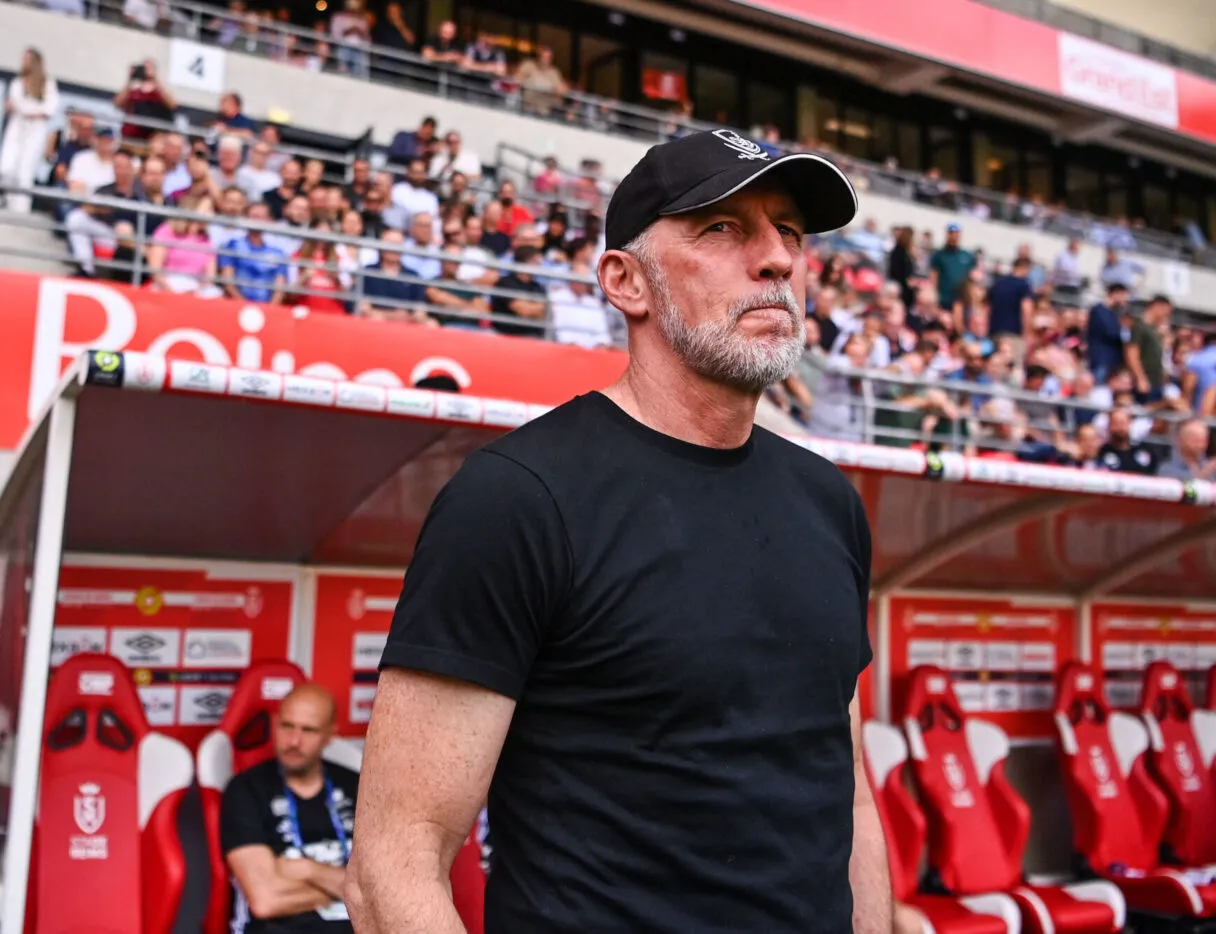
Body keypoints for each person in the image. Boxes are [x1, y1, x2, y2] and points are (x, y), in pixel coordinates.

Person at [347, 128, 890, 933]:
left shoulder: (828, 501)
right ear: (625, 281)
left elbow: (844, 783)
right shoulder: (519, 500)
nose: (776, 259)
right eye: (723, 228)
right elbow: (394, 864)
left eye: (791, 233)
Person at [221, 683, 358, 933]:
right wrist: (344, 889)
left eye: (309, 730)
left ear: (330, 735)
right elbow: (266, 901)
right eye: (287, 726)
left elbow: (382, 890)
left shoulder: (357, 786)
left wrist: (307, 870)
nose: (294, 741)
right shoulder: (247, 790)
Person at [0, 48, 59, 214]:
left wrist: (27, 110)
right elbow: (15, 103)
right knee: (6, 166)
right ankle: (7, 201)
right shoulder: (18, 82)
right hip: (17, 127)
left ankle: (20, 208)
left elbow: (49, 109)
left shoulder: (47, 83)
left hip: (35, 130)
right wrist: (29, 110)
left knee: (26, 168)